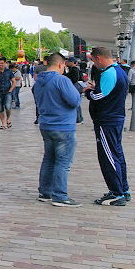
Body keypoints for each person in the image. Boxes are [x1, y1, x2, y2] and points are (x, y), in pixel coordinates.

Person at [33, 53, 82, 207]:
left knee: (49, 159)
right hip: (63, 126)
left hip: (46, 124)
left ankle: (45, 192)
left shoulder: (38, 81)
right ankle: (60, 195)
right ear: (61, 64)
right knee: (63, 161)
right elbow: (74, 100)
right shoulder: (62, 80)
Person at [85, 47, 130, 206]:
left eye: (92, 60)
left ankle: (117, 193)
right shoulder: (120, 71)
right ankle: (123, 189)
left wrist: (88, 92)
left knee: (108, 156)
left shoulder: (108, 73)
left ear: (98, 58)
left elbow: (99, 95)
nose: (93, 63)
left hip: (107, 120)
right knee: (116, 154)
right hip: (115, 118)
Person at [0, 58, 20, 130]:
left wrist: (11, 90)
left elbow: (14, 81)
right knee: (0, 108)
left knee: (8, 107)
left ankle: (8, 119)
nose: (0, 65)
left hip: (7, 92)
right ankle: (3, 123)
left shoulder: (9, 71)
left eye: (2, 63)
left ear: (5, 63)